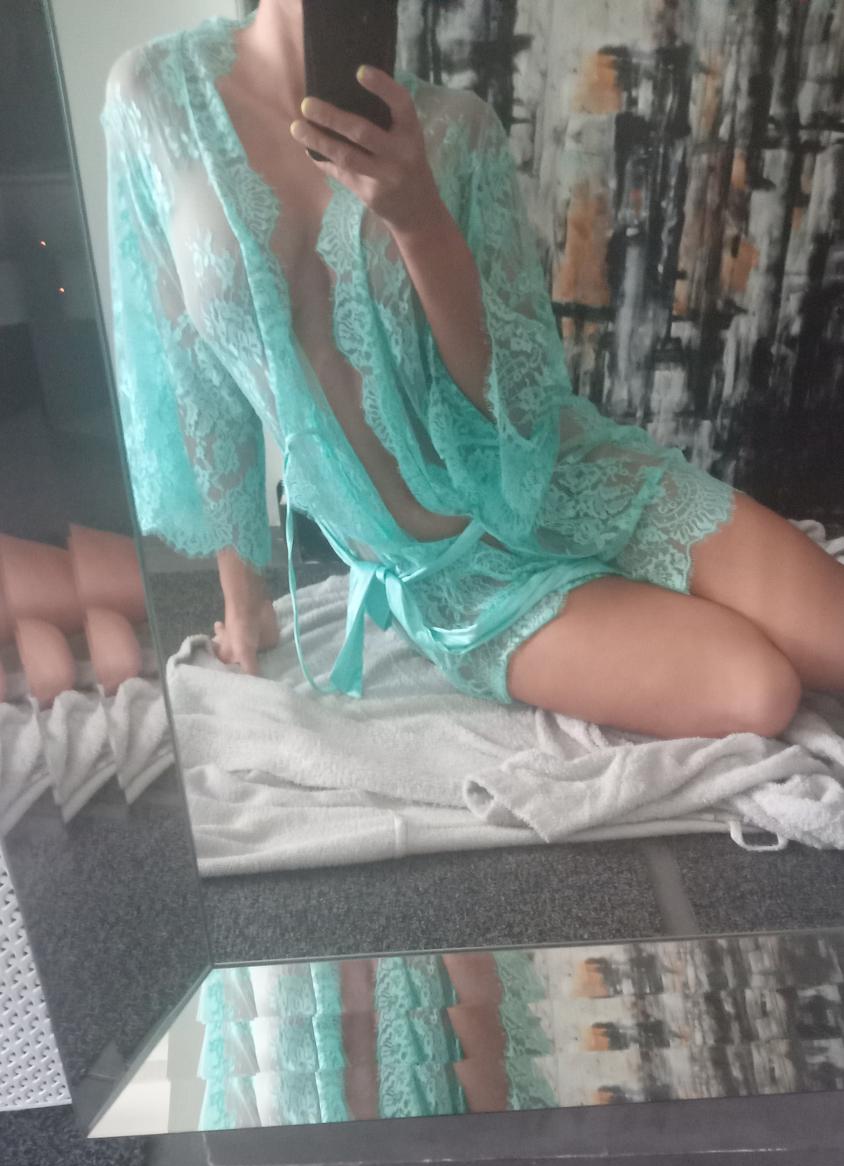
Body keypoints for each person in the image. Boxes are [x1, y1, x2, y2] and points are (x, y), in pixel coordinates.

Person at [100, 2, 844, 741]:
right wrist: (244, 602)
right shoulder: (154, 96)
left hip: (570, 479)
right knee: (761, 689)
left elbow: (518, 398)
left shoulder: (458, 129)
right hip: (454, 581)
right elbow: (191, 376)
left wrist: (418, 217)